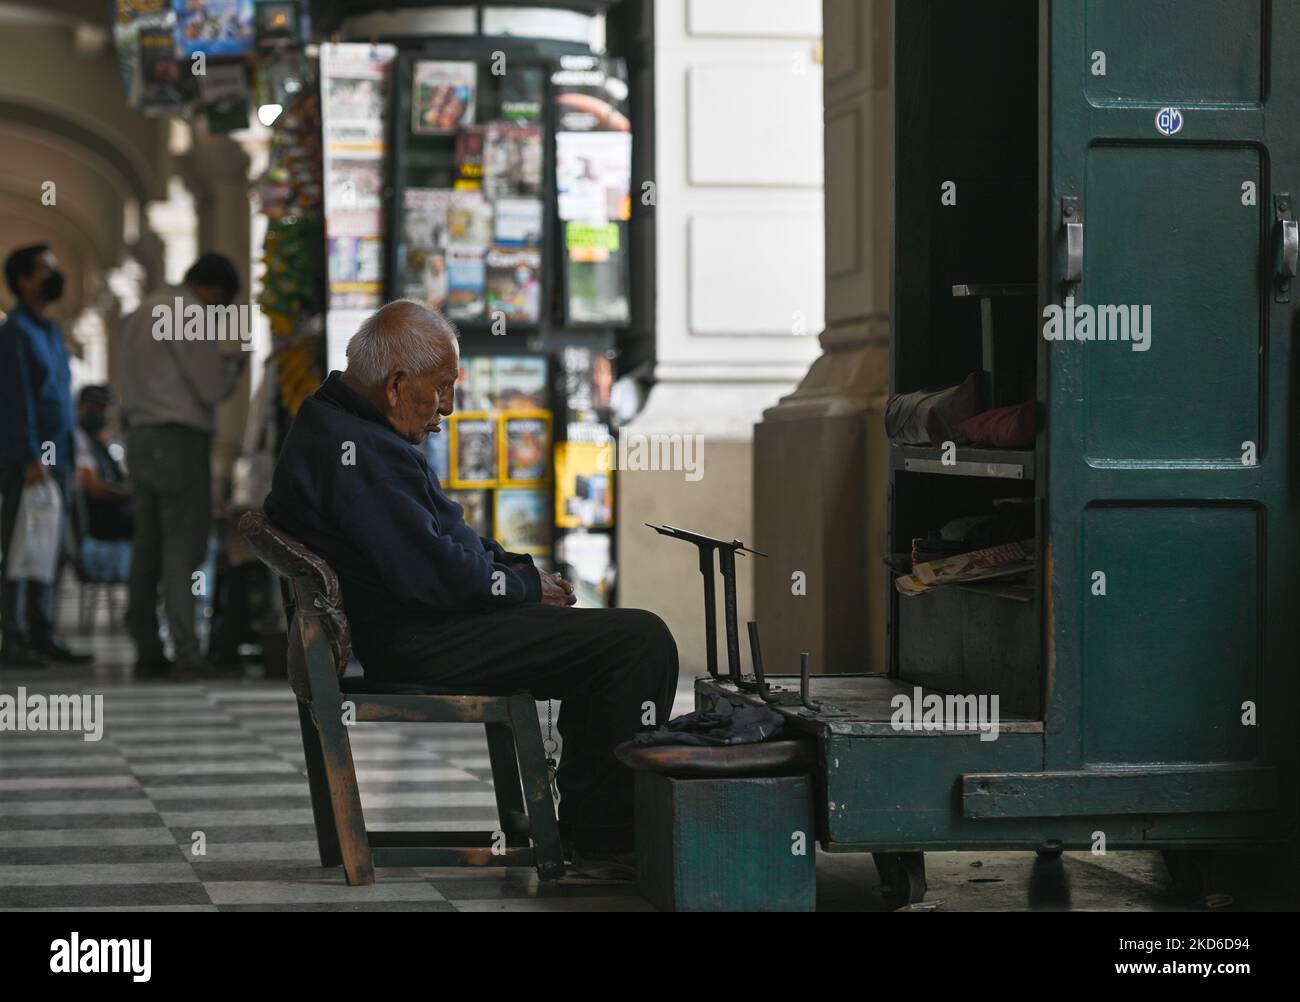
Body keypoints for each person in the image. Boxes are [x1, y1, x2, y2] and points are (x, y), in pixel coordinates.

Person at [264, 300, 679, 879]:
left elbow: (441, 538)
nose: (449, 409)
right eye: (442, 389)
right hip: (415, 639)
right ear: (396, 384)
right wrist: (523, 589)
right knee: (636, 641)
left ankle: (595, 827)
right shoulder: (359, 455)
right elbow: (434, 576)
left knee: (615, 638)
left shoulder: (341, 422)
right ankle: (605, 838)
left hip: (417, 622)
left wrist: (517, 572)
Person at [117, 253, 248, 677]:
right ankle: (188, 653)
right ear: (214, 291)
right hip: (178, 438)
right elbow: (209, 389)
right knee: (183, 547)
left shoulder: (143, 309)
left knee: (148, 544)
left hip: (140, 434)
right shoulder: (188, 313)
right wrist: (235, 366)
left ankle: (147, 647)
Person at [0, 244, 92, 668]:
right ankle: (16, 637)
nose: (55, 274)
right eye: (46, 269)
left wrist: (71, 458)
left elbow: (61, 398)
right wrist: (29, 457)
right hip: (33, 462)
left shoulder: (51, 331)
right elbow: (16, 400)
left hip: (61, 460)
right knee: (23, 548)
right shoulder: (15, 332)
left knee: (51, 552)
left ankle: (43, 633)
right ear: (23, 280)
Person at [73, 385, 134, 582]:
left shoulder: (100, 443)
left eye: (103, 409)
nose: (100, 414)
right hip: (100, 519)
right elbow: (94, 488)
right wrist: (129, 494)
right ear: (81, 407)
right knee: (152, 523)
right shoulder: (78, 439)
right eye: (94, 408)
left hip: (114, 512)